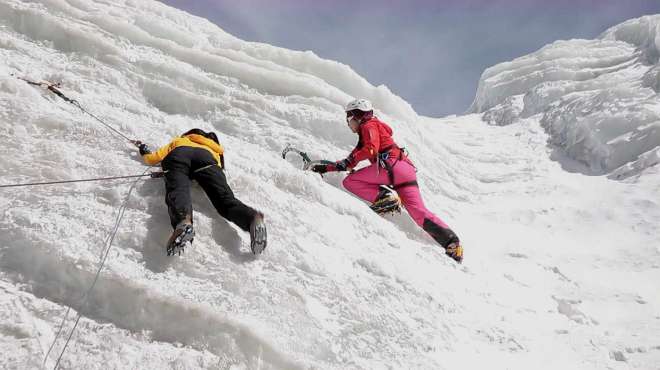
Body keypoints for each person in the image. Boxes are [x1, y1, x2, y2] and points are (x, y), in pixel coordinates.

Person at [311, 99, 463, 263]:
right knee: (419, 213)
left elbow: (370, 149)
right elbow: (352, 160)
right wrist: (327, 168)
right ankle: (452, 244)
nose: (349, 124)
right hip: (405, 170)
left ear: (356, 115)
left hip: (391, 167)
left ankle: (385, 197)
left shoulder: (368, 125)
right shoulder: (371, 129)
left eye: (349, 119)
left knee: (350, 182)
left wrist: (346, 163)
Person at [136, 128, 267, 256]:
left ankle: (183, 222)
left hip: (179, 156)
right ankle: (252, 219)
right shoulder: (214, 148)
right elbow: (218, 171)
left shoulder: (180, 141)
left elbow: (152, 158)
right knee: (224, 200)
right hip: (207, 160)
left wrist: (144, 150)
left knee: (178, 190)